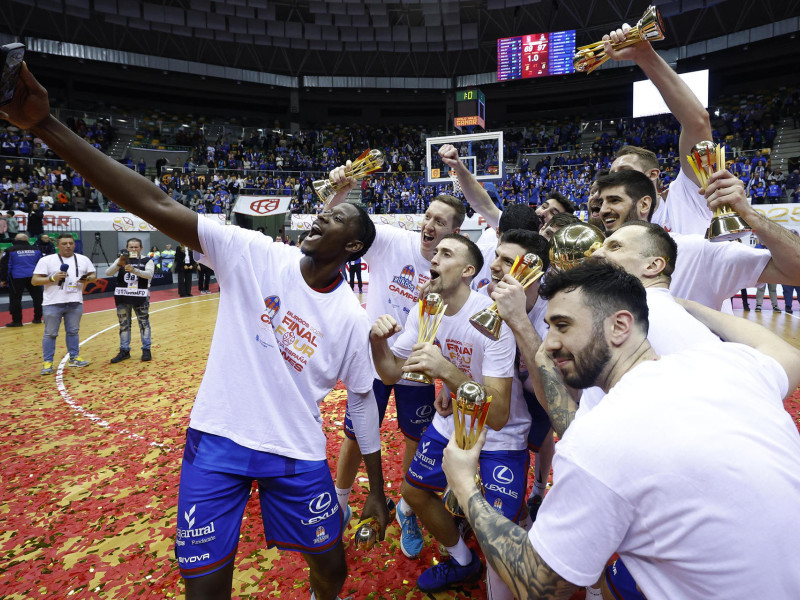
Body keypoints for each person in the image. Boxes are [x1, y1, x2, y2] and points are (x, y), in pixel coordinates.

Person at [0, 63, 389, 600]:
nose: (320, 218)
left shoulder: (350, 316)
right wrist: (46, 127)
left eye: (337, 218)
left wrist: (378, 487)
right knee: (203, 584)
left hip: (296, 452)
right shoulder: (254, 253)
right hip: (218, 440)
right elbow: (157, 204)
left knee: (331, 566)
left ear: (353, 247)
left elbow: (364, 402)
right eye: (323, 213)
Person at [441, 261, 800, 600]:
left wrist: (464, 485)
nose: (549, 343)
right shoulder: (724, 361)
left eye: (562, 326)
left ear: (619, 326)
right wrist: (687, 306)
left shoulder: (600, 439)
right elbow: (786, 355)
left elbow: (539, 585)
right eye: (548, 327)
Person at [371, 234, 523, 597]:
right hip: (453, 420)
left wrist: (446, 372)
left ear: (469, 271)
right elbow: (391, 373)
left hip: (499, 433)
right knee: (414, 491)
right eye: (434, 253)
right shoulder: (427, 309)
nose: (434, 258)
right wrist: (377, 342)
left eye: (446, 253)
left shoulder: (491, 320)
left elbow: (499, 415)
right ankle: (462, 562)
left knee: (496, 529)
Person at [326, 165, 465, 561]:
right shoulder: (390, 240)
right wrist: (340, 192)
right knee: (355, 433)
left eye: (440, 221)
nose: (429, 225)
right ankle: (339, 503)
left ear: (453, 232)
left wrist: (445, 380)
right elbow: (341, 229)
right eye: (428, 216)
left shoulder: (452, 268)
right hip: (371, 359)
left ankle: (408, 508)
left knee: (413, 437)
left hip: (416, 367)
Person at [596, 169, 800, 311]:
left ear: (644, 205)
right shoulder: (597, 258)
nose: (603, 210)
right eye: (601, 202)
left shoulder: (695, 252)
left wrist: (749, 214)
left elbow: (795, 270)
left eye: (614, 200)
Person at [604, 23, 714, 236]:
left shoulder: (687, 193)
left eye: (623, 170)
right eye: (612, 173)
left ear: (653, 174)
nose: (614, 178)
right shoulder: (616, 227)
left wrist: (645, 56)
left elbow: (697, 122)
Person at [31, 232, 96, 374]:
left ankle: (74, 358)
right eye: (64, 244)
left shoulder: (83, 259)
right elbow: (35, 281)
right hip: (52, 303)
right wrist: (52, 278)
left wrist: (88, 279)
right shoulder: (46, 260)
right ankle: (47, 363)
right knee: (50, 334)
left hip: (75, 302)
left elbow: (93, 275)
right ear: (57, 245)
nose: (68, 246)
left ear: (74, 244)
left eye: (71, 243)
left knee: (73, 332)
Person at [105, 238, 154, 363]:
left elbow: (149, 274)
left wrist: (134, 270)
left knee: (144, 323)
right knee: (124, 325)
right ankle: (124, 350)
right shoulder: (121, 259)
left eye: (136, 247)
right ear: (127, 248)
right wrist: (118, 264)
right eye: (131, 247)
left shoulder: (147, 260)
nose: (133, 249)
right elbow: (108, 273)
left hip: (140, 296)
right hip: (123, 296)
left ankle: (146, 349)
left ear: (141, 248)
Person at [0, 233, 44, 326]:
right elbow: (41, 264)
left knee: (15, 299)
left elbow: (5, 266)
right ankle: (37, 318)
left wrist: (4, 279)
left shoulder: (10, 250)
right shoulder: (36, 249)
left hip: (17, 277)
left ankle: (17, 321)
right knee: (38, 298)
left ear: (15, 240)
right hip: (34, 276)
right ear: (27, 240)